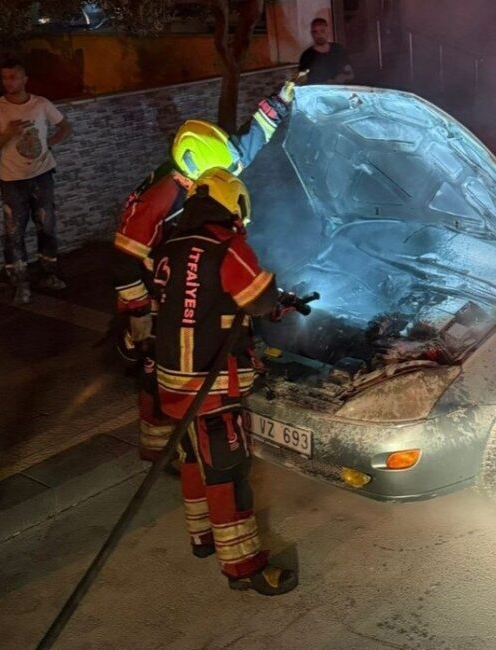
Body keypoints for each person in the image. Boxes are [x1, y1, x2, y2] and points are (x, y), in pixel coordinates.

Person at [112, 82, 294, 462]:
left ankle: (193, 437)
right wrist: (139, 315)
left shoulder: (213, 165)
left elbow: (252, 138)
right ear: (186, 177)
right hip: (158, 285)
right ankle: (164, 448)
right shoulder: (160, 196)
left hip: (187, 273)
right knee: (157, 365)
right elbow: (124, 259)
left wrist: (281, 100)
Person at [152, 167, 298, 596]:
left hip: (171, 384)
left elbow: (192, 302)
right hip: (211, 387)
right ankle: (244, 567)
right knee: (228, 475)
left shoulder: (170, 244)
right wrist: (277, 302)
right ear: (232, 204)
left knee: (194, 461)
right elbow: (258, 298)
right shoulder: (224, 245)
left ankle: (203, 538)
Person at [0, 58, 73, 305]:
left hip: (42, 173)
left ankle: (49, 273)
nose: (8, 82)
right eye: (4, 78)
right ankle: (20, 282)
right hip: (12, 179)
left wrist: (49, 145)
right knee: (14, 231)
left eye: (13, 77)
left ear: (25, 79)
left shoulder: (41, 104)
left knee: (46, 225)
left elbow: (65, 126)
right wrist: (8, 133)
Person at [298, 18, 355, 85]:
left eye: (322, 31)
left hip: (339, 91)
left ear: (328, 31)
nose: (319, 35)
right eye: (315, 32)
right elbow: (302, 81)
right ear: (312, 34)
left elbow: (351, 74)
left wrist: (342, 78)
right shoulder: (306, 56)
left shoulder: (338, 50)